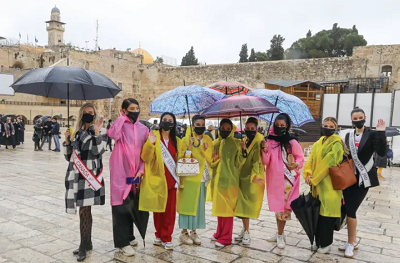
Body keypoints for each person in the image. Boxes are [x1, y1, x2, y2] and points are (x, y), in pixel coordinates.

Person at [63, 103, 107, 262]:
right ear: (82, 114)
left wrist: (96, 133)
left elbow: (99, 152)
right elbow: (69, 157)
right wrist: (67, 141)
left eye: (91, 112)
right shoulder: (77, 132)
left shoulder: (100, 130)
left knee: (84, 210)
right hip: (77, 176)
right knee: (86, 211)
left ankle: (83, 245)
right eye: (86, 112)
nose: (89, 114)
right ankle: (87, 243)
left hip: (90, 177)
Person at [341, 108, 386, 258]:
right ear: (351, 120)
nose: (358, 120)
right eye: (355, 118)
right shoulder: (348, 135)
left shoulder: (372, 133)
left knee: (351, 210)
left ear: (365, 118)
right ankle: (351, 240)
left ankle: (351, 243)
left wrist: (381, 133)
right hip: (349, 178)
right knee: (348, 209)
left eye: (360, 117)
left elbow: (381, 152)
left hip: (363, 179)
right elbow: (346, 156)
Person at [107, 98, 149, 257]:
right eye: (131, 108)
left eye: (137, 108)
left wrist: (142, 170)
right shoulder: (120, 126)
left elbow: (145, 154)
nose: (135, 111)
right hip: (120, 172)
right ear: (124, 110)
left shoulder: (144, 129)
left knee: (131, 204)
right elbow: (113, 135)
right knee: (119, 206)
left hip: (136, 174)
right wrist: (120, 118)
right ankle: (121, 243)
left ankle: (129, 236)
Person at [140, 112, 187, 250]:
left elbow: (180, 159)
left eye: (170, 120)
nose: (167, 122)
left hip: (171, 181)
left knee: (169, 212)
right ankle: (158, 235)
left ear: (173, 124)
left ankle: (167, 237)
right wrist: (151, 143)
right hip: (157, 180)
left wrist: (190, 146)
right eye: (164, 120)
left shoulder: (176, 141)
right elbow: (145, 157)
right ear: (161, 122)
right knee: (158, 210)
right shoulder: (154, 136)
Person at [304, 117, 346, 254]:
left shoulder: (337, 143)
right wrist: (308, 174)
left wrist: (315, 179)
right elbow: (310, 160)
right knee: (317, 215)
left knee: (327, 216)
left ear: (335, 128)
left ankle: (327, 243)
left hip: (330, 186)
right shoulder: (317, 143)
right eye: (325, 125)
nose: (327, 128)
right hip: (316, 186)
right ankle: (317, 241)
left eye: (331, 126)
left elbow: (329, 163)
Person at [262, 113, 304, 249]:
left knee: (284, 209)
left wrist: (296, 164)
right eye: (277, 125)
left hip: (288, 181)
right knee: (277, 208)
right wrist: (264, 150)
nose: (280, 127)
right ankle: (280, 233)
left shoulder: (292, 142)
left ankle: (280, 235)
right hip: (274, 179)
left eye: (282, 125)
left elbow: (300, 158)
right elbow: (266, 161)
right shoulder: (269, 141)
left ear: (287, 126)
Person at [178, 115, 213, 246]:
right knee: (187, 205)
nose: (200, 127)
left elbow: (210, 157)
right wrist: (189, 148)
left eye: (202, 124)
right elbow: (180, 158)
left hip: (202, 178)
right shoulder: (186, 139)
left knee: (198, 206)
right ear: (193, 126)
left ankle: (194, 231)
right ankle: (184, 232)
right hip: (189, 178)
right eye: (197, 125)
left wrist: (204, 150)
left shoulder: (208, 139)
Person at [211, 119, 246, 248]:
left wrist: (243, 151)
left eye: (227, 128)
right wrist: (214, 161)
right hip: (217, 181)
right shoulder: (215, 143)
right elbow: (211, 162)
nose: (224, 130)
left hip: (230, 182)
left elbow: (239, 163)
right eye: (222, 128)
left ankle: (226, 237)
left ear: (231, 130)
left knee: (227, 211)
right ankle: (219, 232)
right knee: (220, 209)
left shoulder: (236, 143)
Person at [235, 117, 265, 245]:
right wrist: (242, 150)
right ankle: (244, 229)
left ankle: (247, 232)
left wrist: (254, 176)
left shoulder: (260, 142)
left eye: (252, 129)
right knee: (241, 205)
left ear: (256, 129)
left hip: (253, 178)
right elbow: (240, 160)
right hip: (241, 177)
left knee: (246, 206)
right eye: (247, 128)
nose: (249, 131)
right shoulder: (244, 140)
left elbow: (257, 162)